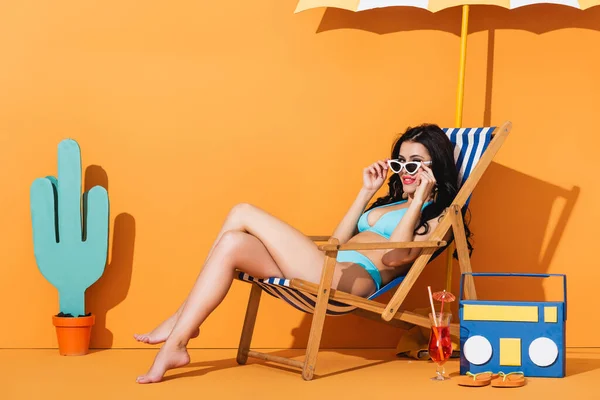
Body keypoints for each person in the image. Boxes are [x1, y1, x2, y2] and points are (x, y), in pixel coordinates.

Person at [133, 123, 473, 383]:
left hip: (344, 284)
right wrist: (365, 192)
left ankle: (179, 322)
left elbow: (395, 258)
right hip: (326, 265)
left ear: (435, 168)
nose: (406, 172)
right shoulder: (394, 202)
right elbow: (337, 241)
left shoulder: (437, 214)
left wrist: (417, 201)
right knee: (232, 242)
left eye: (416, 164)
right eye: (400, 163)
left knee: (242, 211)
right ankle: (177, 342)